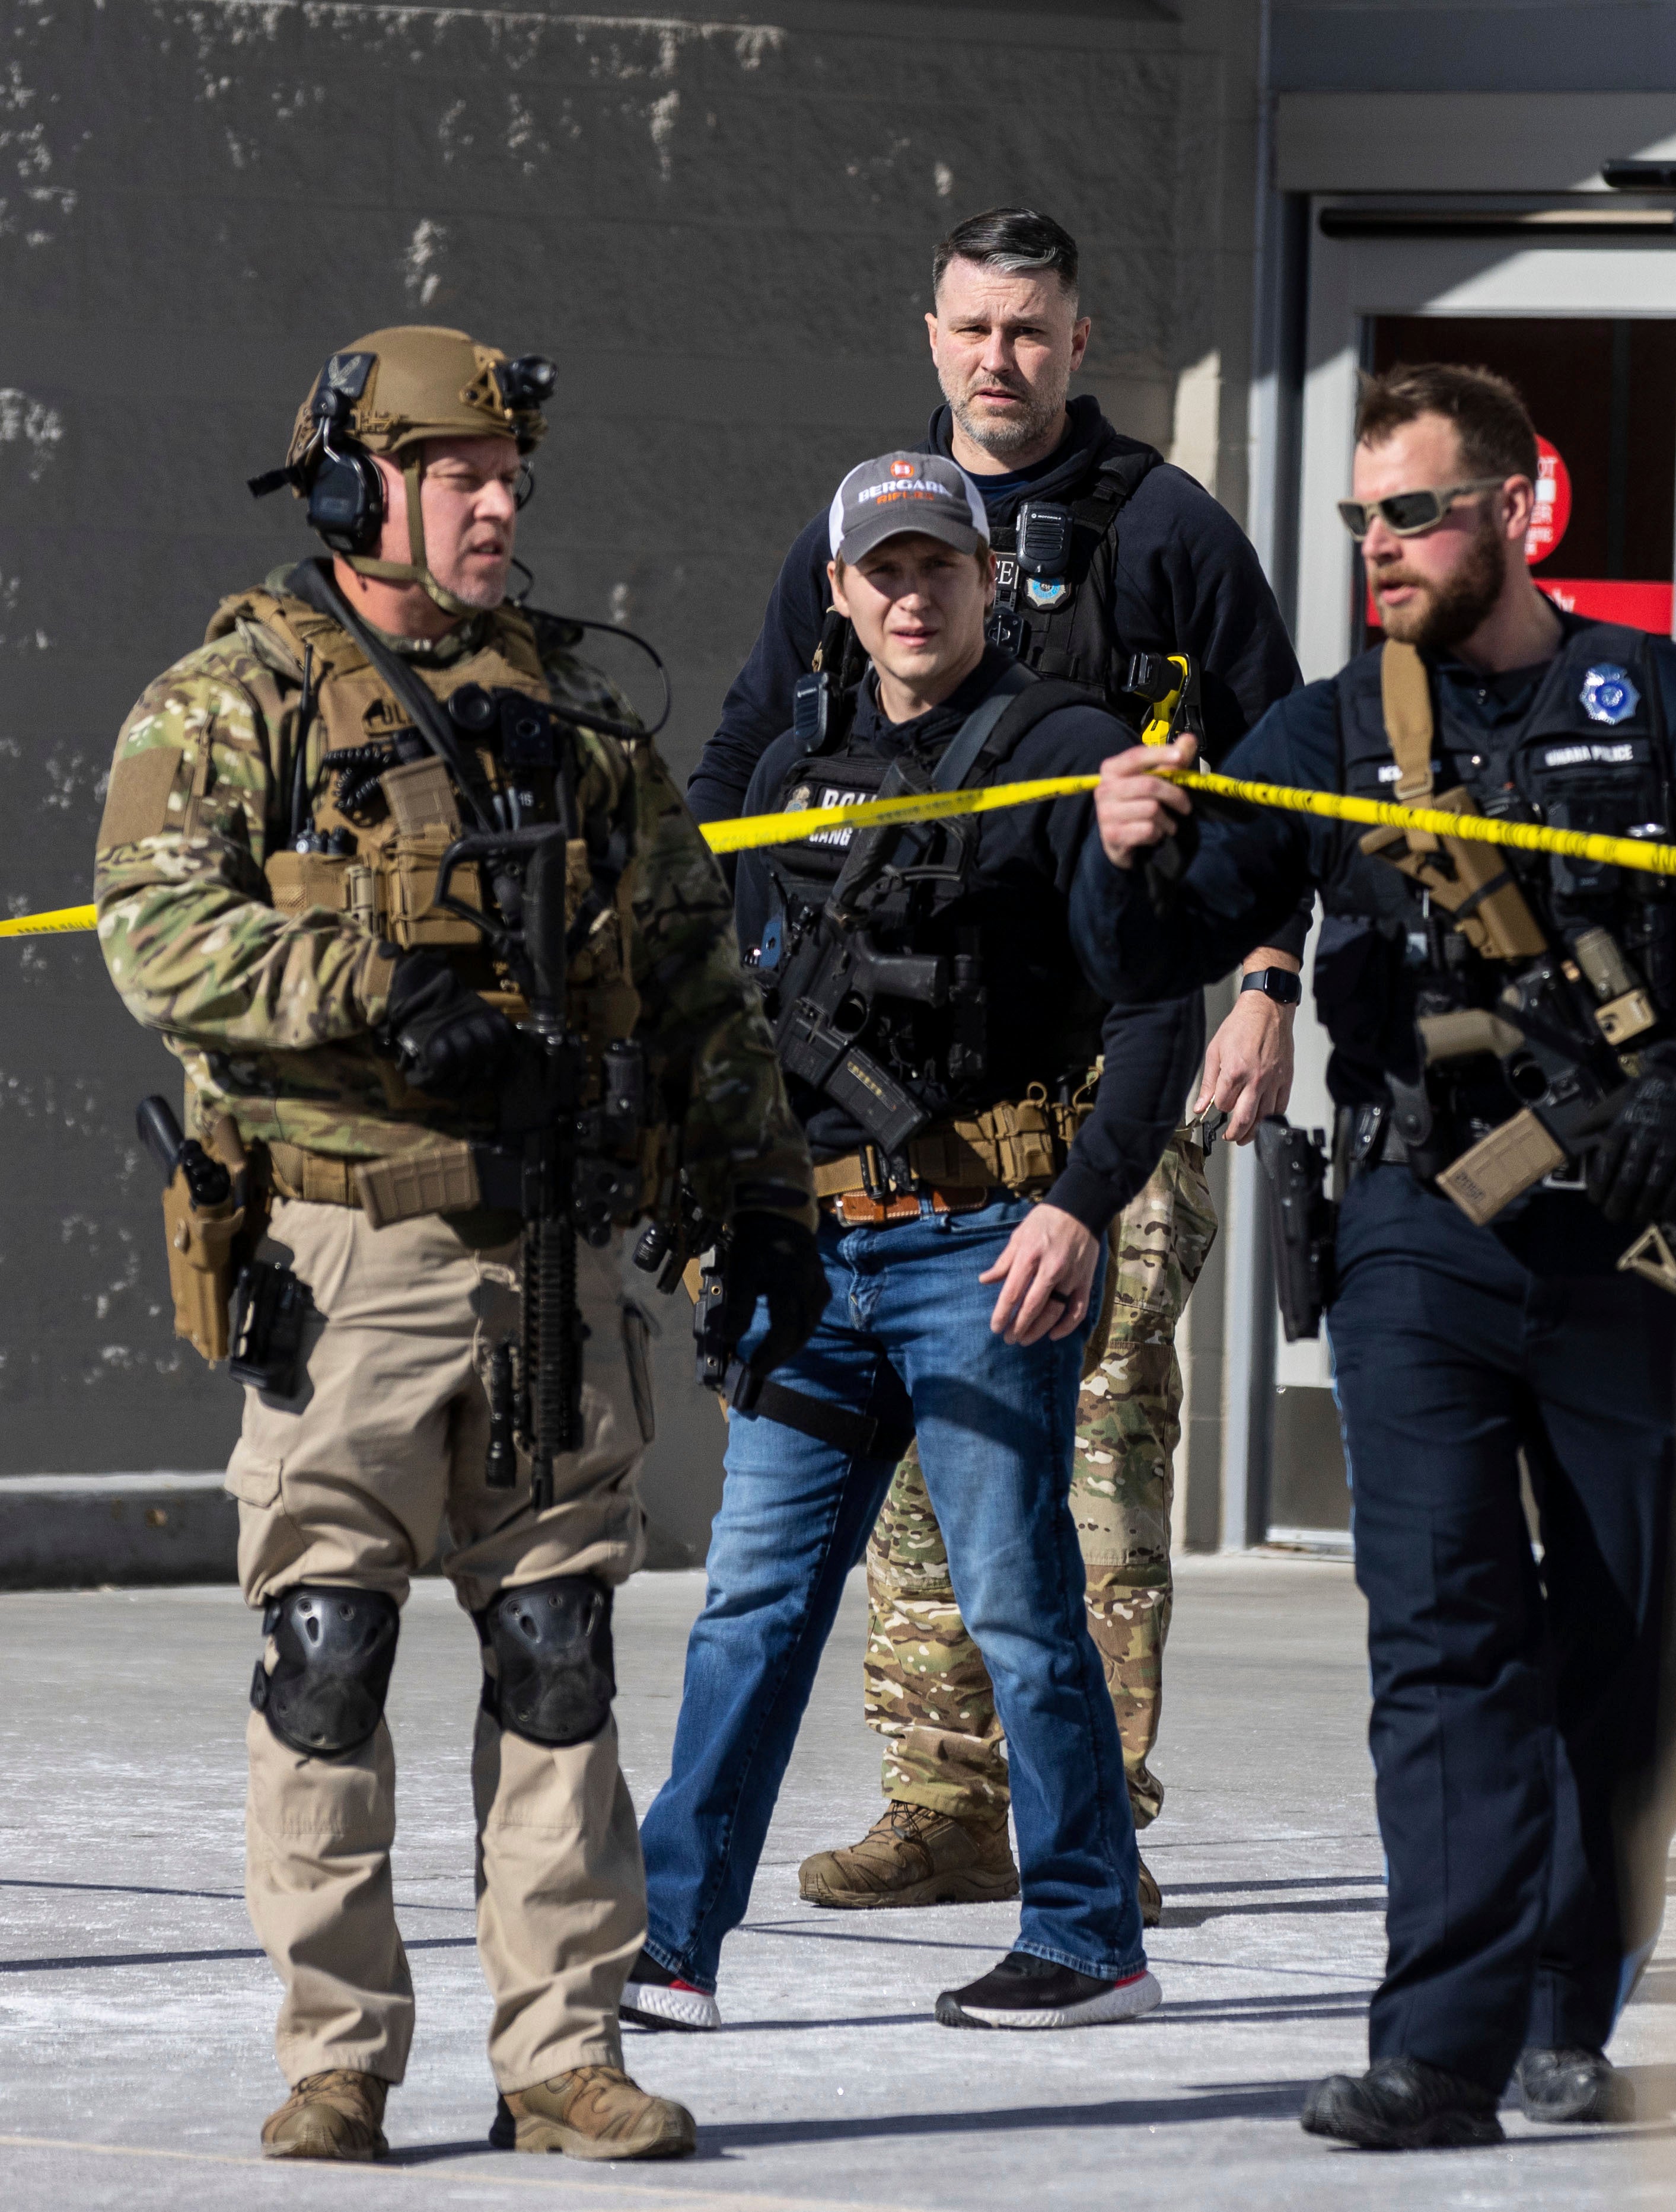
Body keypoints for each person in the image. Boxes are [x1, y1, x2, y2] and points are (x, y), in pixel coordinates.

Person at [1080, 364, 1676, 2146]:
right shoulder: (1341, 729)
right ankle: (1438, 2039)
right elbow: (1177, 927)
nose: (1379, 548)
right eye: (1360, 519)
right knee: (1442, 1636)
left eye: (1413, 512)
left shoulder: (1660, 702)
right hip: (1418, 1229)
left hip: (1622, 1239)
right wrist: (1126, 853)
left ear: (1515, 508)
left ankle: (1572, 1993)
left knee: (1635, 1645)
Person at [91, 326, 821, 2164]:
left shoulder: (577, 715)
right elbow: (151, 929)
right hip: (348, 1259)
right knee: (327, 1647)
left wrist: (761, 1201)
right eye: (459, 475)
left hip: (556, 1254)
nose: (499, 506)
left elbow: (691, 974)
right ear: (358, 488)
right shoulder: (236, 699)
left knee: (559, 1652)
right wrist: (373, 991)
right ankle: (339, 2054)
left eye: (511, 476)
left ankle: (563, 2051)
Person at [695, 208, 1305, 1922]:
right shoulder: (869, 534)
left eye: (1027, 331)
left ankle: (1089, 1814)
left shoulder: (1168, 529)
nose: (997, 359)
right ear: (932, 334)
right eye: (970, 328)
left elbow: (1278, 777)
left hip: (1108, 1060)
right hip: (888, 1098)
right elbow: (744, 758)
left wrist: (1264, 979)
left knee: (1092, 1447)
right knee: (909, 1458)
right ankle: (947, 1800)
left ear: (1078, 340)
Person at [627, 450, 1171, 2036]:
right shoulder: (789, 764)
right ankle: (672, 1944)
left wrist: (1080, 1202)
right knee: (750, 1604)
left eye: (940, 564)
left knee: (1015, 1601)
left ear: (988, 580)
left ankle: (1086, 1936)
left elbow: (1153, 1002)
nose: (911, 592)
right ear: (841, 590)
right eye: (883, 569)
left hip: (986, 1242)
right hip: (811, 1249)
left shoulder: (1066, 752)